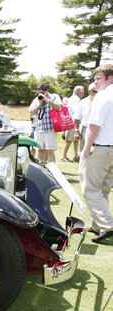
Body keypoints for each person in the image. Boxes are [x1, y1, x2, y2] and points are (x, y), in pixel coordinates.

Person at [79, 64, 113, 243]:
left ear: (110, 78)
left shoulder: (103, 96)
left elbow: (94, 125)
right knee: (103, 189)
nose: (95, 82)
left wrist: (86, 147)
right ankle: (98, 225)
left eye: (99, 78)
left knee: (90, 188)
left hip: (100, 148)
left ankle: (108, 225)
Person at [29, 83, 63, 163]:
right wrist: (40, 104)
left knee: (50, 151)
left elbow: (59, 107)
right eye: (37, 93)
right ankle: (42, 169)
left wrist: (47, 100)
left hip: (50, 128)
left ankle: (52, 171)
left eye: (41, 92)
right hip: (39, 128)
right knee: (40, 150)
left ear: (47, 90)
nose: (39, 94)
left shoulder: (54, 96)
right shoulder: (36, 100)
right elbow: (31, 113)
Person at [61, 85, 84, 162]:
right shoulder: (76, 99)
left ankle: (76, 155)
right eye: (83, 91)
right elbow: (75, 111)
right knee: (69, 140)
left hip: (70, 121)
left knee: (76, 139)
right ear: (80, 92)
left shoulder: (72, 98)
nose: (84, 93)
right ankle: (64, 156)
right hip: (73, 122)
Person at [74, 83, 97, 152]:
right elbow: (77, 118)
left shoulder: (103, 101)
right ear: (89, 91)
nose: (97, 93)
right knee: (84, 150)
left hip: (99, 129)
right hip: (86, 128)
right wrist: (76, 131)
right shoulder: (83, 102)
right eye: (95, 91)